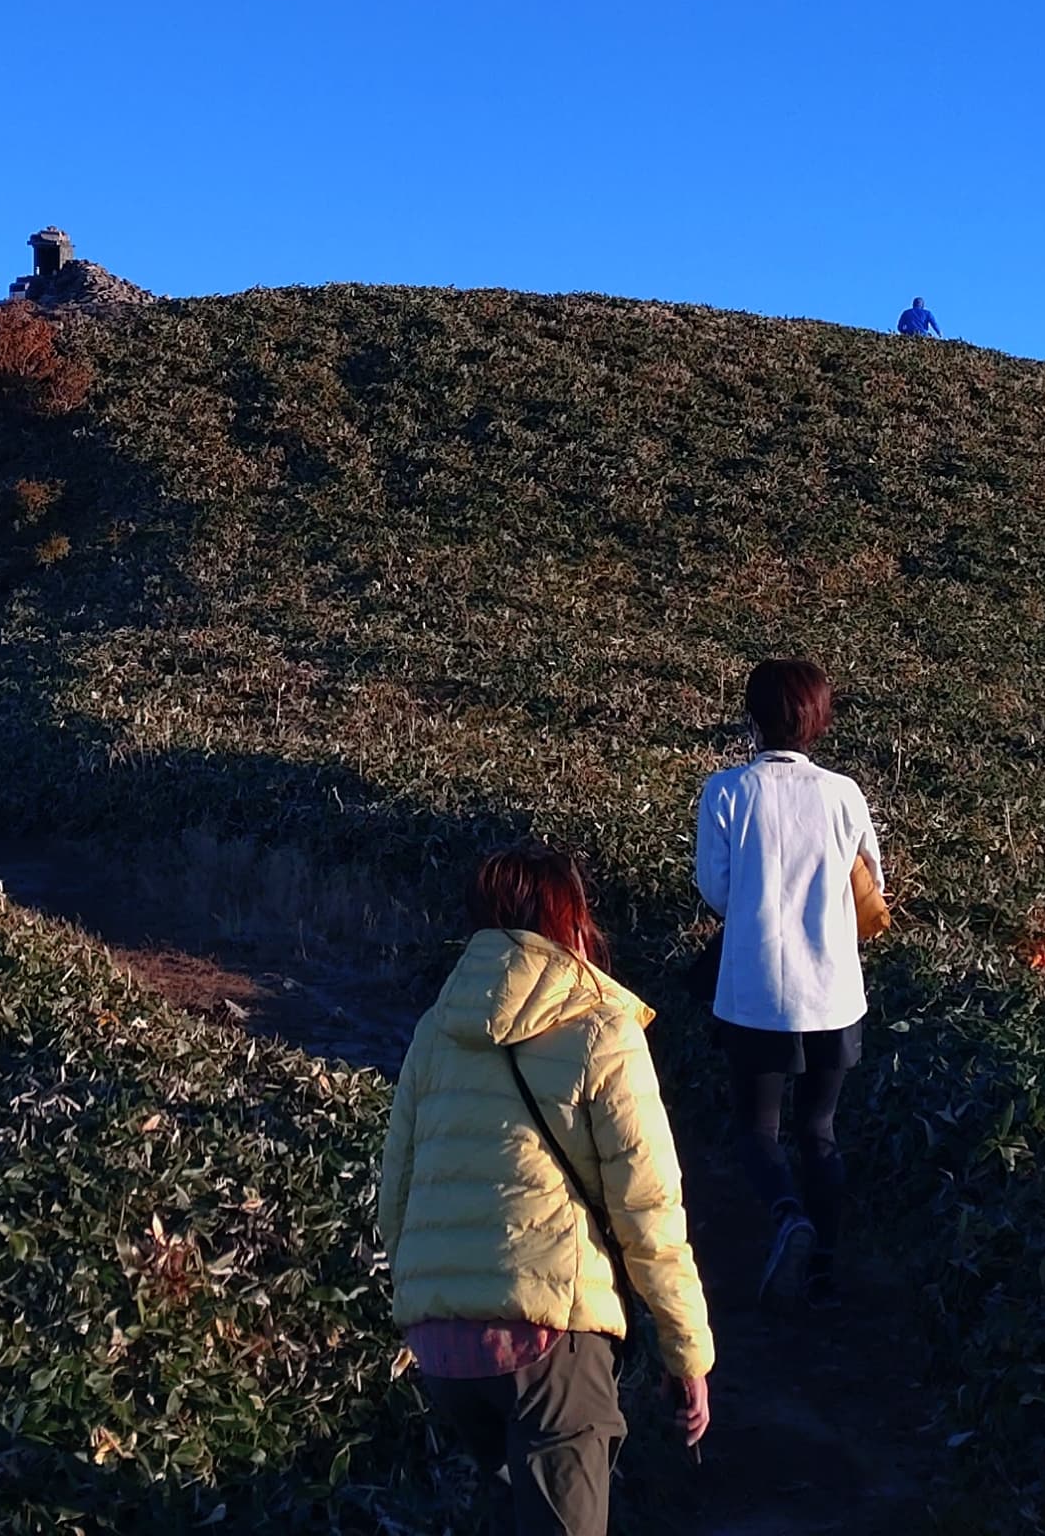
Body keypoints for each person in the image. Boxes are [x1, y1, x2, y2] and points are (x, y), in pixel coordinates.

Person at [379, 844, 715, 1535]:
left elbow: (396, 1199)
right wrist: (688, 1352)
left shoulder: (436, 1030)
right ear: (573, 922)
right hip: (549, 1339)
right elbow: (647, 1208)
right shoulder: (599, 1025)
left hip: (444, 1350)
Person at [693, 657, 887, 1304]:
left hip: (756, 992)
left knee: (757, 1131)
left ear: (751, 717)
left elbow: (718, 894)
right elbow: (873, 890)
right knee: (821, 1131)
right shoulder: (844, 794)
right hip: (835, 991)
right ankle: (826, 1272)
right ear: (818, 720)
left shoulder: (726, 791)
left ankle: (787, 1215)